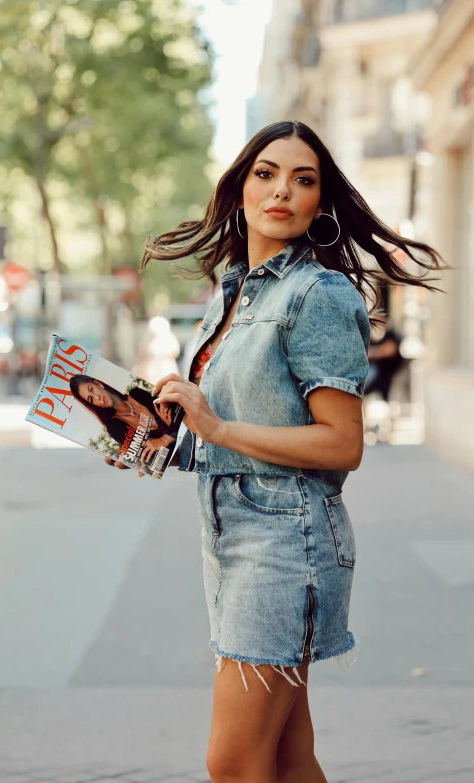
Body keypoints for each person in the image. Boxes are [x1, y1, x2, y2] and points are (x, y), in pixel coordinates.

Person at [106, 120, 444, 783]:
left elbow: (343, 443)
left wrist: (219, 427)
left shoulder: (317, 294)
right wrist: (156, 434)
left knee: (232, 763)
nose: (282, 189)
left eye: (304, 178)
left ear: (321, 203)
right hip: (229, 534)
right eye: (265, 172)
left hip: (287, 541)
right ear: (239, 189)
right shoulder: (230, 292)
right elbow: (228, 421)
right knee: (286, 760)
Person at [70, 374, 176, 466]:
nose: (97, 397)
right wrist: (170, 431)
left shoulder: (137, 394)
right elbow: (152, 457)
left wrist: (166, 438)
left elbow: (177, 412)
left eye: (91, 389)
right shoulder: (115, 426)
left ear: (98, 384)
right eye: (91, 399)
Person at [364, 315, 404, 401]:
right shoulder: (375, 338)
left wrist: (372, 353)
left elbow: (388, 350)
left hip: (380, 377)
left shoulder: (390, 335)